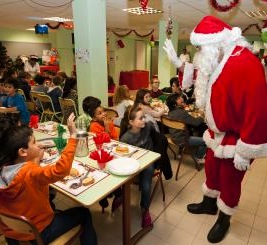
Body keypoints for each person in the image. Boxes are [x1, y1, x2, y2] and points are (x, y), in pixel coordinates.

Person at [164, 15, 267, 243]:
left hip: (236, 138)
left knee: (230, 181)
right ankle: (209, 203)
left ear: (216, 43)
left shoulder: (245, 63)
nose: (199, 52)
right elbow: (203, 72)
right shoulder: (217, 56)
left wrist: (245, 150)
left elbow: (258, 109)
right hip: (214, 134)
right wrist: (180, 65)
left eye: (201, 47)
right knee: (212, 171)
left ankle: (224, 219)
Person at [0, 114, 98, 245]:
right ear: (23, 152)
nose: (38, 144)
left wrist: (34, 159)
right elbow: (60, 170)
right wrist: (73, 137)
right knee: (84, 212)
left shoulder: (5, 167)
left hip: (12, 232)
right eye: (34, 142)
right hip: (38, 233)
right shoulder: (30, 172)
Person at [119, 105, 155, 228]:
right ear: (131, 122)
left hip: (148, 162)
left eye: (143, 117)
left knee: (146, 180)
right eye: (140, 118)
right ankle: (119, 196)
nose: (144, 120)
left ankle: (145, 208)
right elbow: (124, 159)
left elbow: (159, 136)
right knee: (120, 175)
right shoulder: (125, 138)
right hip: (132, 164)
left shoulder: (147, 127)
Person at [166, 93, 206, 163]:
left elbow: (180, 113)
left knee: (189, 127)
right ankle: (198, 157)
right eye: (178, 98)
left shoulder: (170, 112)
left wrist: (187, 111)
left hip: (173, 137)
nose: (181, 98)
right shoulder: (182, 113)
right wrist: (202, 115)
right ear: (174, 104)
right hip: (183, 140)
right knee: (206, 141)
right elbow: (196, 123)